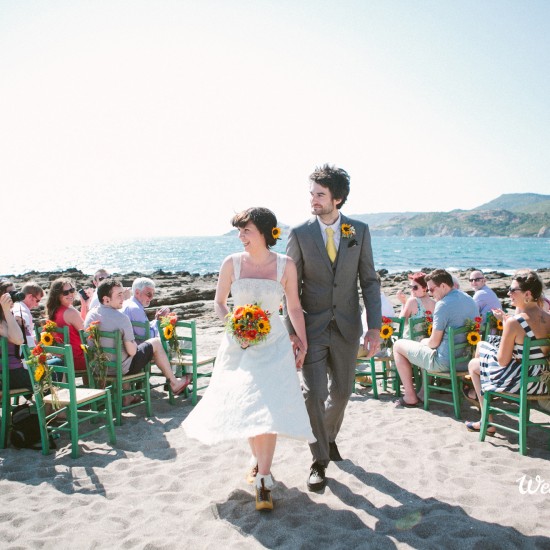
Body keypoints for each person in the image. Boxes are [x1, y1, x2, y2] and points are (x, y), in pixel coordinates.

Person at [183, 207, 314, 511]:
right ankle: (258, 461)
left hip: (275, 344)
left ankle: (264, 480)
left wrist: (302, 340)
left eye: (246, 231)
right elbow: (218, 303)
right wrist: (234, 323)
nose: (241, 237)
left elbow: (293, 306)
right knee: (249, 408)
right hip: (238, 344)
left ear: (265, 233)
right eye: (239, 231)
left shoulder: (285, 265)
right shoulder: (231, 263)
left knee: (267, 410)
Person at [284, 164, 381, 491]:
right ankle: (318, 460)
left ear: (337, 198)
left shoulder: (359, 231)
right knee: (313, 394)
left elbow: (369, 281)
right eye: (311, 193)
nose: (313, 199)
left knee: (342, 393)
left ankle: (327, 437)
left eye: (320, 194)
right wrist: (292, 331)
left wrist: (374, 327)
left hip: (348, 327)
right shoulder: (299, 233)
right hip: (310, 328)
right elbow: (289, 287)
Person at [465, 270, 550, 433]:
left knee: (474, 364)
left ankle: (486, 419)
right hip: (544, 380)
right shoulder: (548, 317)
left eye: (513, 290)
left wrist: (505, 331)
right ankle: (485, 395)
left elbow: (502, 361)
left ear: (527, 294)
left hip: (527, 383)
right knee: (483, 346)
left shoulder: (514, 322)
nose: (508, 293)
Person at [84, 278, 190, 404]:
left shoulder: (90, 315)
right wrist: (132, 342)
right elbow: (133, 352)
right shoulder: (121, 319)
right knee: (155, 343)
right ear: (106, 299)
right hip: (120, 369)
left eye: (123, 294)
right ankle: (174, 383)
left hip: (99, 367)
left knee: (123, 352)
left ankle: (127, 396)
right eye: (119, 295)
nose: (123, 298)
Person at [392, 269, 479, 407]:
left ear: (444, 286)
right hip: (467, 360)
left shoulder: (443, 305)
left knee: (397, 346)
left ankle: (410, 396)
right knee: (423, 346)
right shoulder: (469, 299)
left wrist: (424, 341)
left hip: (445, 363)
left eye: (432, 289)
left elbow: (433, 343)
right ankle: (422, 392)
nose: (431, 293)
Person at [45, 278, 88, 373]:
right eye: (65, 293)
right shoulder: (70, 312)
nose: (70, 294)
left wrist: (84, 306)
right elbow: (87, 333)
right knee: (104, 357)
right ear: (57, 295)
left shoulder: (54, 311)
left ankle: (90, 385)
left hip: (64, 357)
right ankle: (97, 387)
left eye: (72, 290)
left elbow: (80, 323)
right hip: (77, 359)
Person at [0, 282, 32, 391]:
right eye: (9, 293)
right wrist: (6, 310)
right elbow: (19, 340)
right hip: (9, 375)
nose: (13, 296)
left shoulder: (7, 317)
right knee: (52, 374)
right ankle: (46, 408)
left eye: (14, 292)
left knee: (51, 367)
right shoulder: (2, 322)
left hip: (13, 371)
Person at [121, 277, 170, 342]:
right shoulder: (135, 309)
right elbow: (148, 336)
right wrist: (158, 321)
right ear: (137, 292)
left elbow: (143, 328)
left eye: (153, 294)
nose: (151, 298)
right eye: (148, 294)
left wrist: (156, 320)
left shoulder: (126, 303)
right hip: (137, 349)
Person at [398, 272, 435, 339]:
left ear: (425, 288)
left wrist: (403, 303)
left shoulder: (412, 301)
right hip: (428, 341)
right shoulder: (435, 303)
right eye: (410, 287)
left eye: (415, 287)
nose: (411, 290)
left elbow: (402, 322)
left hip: (412, 343)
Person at [11, 281, 44, 347]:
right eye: (37, 301)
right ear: (30, 297)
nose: (37, 304)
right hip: (20, 354)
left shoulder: (16, 305)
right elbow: (27, 340)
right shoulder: (23, 312)